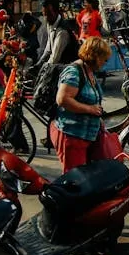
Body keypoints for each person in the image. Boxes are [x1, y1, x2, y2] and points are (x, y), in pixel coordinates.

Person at [51, 37, 113, 172]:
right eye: (104, 58)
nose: (105, 62)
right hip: (72, 134)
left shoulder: (89, 71)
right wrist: (90, 109)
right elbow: (63, 99)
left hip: (87, 135)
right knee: (75, 180)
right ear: (94, 56)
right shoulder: (74, 72)